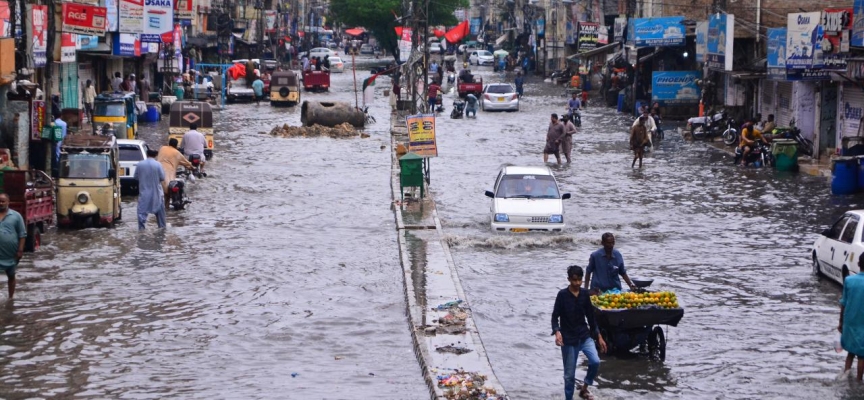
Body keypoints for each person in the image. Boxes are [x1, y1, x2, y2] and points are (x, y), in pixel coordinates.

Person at [552, 265, 606, 400]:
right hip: (568, 339)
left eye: (579, 280)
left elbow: (591, 318)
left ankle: (585, 387)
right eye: (574, 280)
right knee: (569, 376)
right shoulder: (562, 295)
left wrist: (599, 337)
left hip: (584, 335)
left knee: (595, 361)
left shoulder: (584, 295)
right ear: (569, 279)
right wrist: (557, 332)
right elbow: (554, 317)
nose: (577, 283)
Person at [839, 255, 864, 381]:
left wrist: (840, 322)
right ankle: (859, 381)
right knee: (862, 355)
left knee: (850, 352)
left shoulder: (849, 280)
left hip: (850, 321)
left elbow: (843, 303)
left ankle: (846, 375)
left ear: (859, 264)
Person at [0, 193, 26, 300]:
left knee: (11, 275)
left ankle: (11, 298)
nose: (0, 203)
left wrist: (20, 250)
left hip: (10, 254)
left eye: (3, 201)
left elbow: (22, 234)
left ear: (8, 202)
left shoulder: (16, 216)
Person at [157, 138, 193, 209]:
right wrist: (192, 167)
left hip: (157, 172)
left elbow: (170, 159)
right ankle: (166, 209)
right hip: (168, 174)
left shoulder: (162, 148)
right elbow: (186, 162)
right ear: (176, 146)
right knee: (167, 192)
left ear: (169, 143)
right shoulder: (177, 153)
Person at [134, 150, 166, 230]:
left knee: (141, 213)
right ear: (155, 155)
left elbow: (136, 177)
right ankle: (162, 229)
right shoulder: (158, 164)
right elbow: (162, 177)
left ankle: (141, 231)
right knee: (160, 214)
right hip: (157, 193)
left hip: (144, 193)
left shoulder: (140, 164)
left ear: (147, 154)